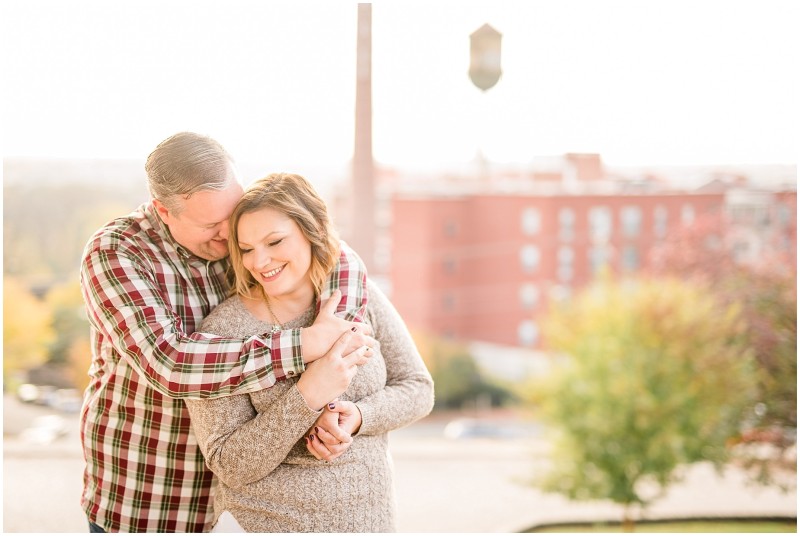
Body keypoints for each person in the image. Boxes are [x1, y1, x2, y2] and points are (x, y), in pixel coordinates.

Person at [79, 132, 375, 533]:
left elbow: (334, 252)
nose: (229, 234)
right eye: (211, 224)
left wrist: (340, 339)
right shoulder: (116, 253)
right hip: (155, 494)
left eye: (231, 214)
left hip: (251, 504)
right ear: (164, 211)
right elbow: (171, 364)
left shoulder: (246, 237)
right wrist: (306, 345)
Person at [184, 172, 435, 532]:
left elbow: (417, 387)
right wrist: (308, 395)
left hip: (368, 523)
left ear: (311, 230)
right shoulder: (224, 331)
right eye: (247, 248)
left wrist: (358, 416)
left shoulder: (358, 298)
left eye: (274, 241)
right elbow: (228, 462)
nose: (260, 261)